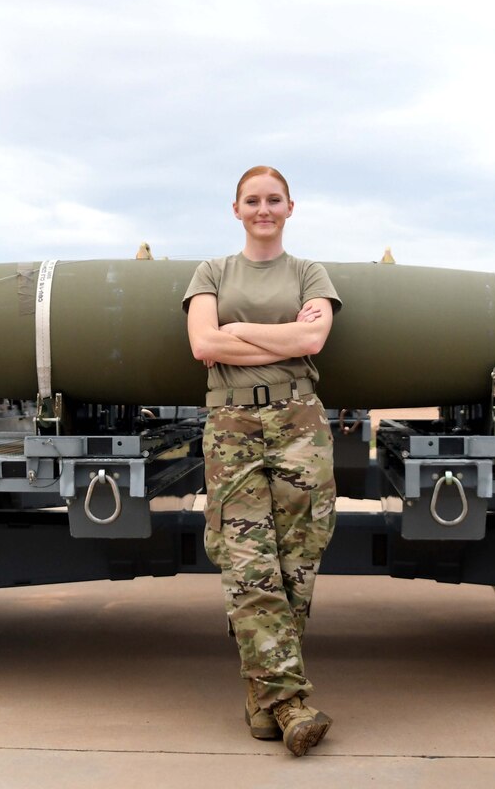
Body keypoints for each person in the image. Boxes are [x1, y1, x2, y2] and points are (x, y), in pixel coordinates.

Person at [183, 166, 340, 757]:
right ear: (236, 208)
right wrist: (279, 335)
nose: (263, 209)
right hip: (232, 428)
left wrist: (240, 328)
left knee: (298, 562)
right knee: (248, 560)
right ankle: (291, 703)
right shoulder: (212, 272)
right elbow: (204, 345)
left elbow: (312, 342)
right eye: (253, 200)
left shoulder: (309, 273)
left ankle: (263, 697)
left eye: (274, 200)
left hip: (301, 424)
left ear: (290, 207)